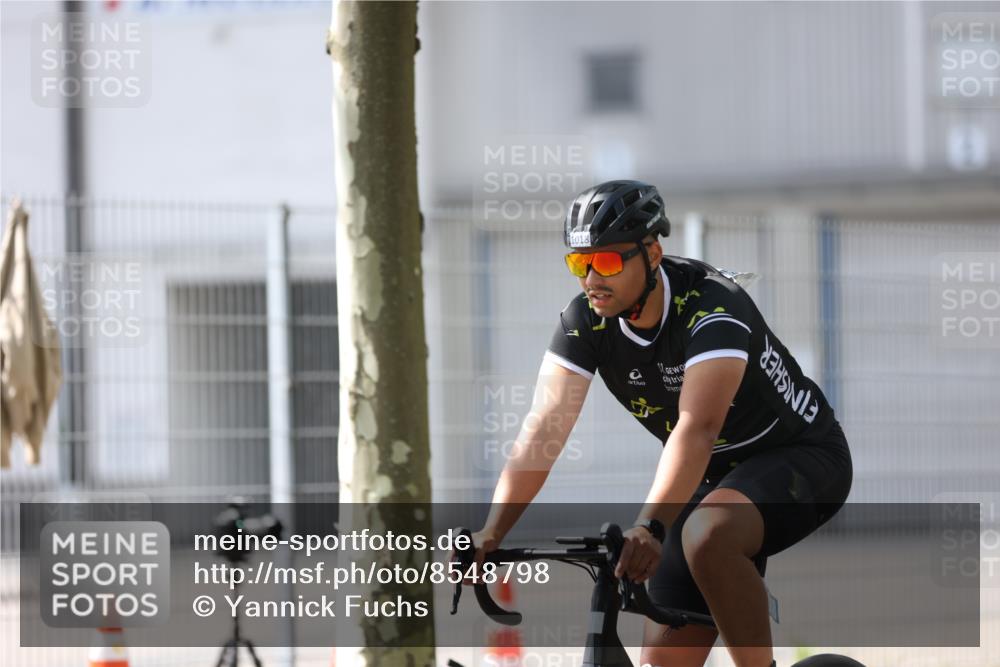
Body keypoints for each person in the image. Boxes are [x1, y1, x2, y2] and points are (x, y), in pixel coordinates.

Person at [469, 180, 853, 667]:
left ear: (652, 252)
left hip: (802, 457)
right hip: (710, 476)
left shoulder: (714, 308)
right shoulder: (586, 320)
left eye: (606, 261)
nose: (591, 279)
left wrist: (650, 526)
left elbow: (696, 429)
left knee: (706, 534)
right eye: (579, 263)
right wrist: (491, 532)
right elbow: (543, 430)